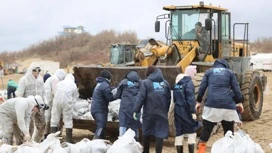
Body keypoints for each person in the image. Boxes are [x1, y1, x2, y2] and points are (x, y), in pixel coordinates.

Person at [195, 59, 244, 153]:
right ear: (225, 65)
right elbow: (236, 88)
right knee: (229, 132)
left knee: (206, 130)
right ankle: (229, 150)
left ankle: (201, 151)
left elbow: (202, 87)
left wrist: (198, 101)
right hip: (228, 106)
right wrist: (239, 102)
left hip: (212, 105)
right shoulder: (230, 72)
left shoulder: (209, 72)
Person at [133, 66, 171, 153]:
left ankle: (145, 151)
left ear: (148, 73)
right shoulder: (165, 84)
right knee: (160, 134)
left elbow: (141, 98)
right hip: (162, 113)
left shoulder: (145, 83)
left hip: (149, 113)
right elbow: (168, 99)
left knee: (146, 132)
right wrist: (166, 110)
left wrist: (136, 110)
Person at [173, 65, 202, 153]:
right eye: (194, 73)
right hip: (186, 111)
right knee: (191, 130)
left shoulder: (177, 84)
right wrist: (192, 112)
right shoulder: (188, 83)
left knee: (179, 131)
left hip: (177, 110)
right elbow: (190, 98)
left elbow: (174, 99)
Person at [16, 65, 48, 143]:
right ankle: (27, 144)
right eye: (34, 71)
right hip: (28, 106)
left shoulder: (40, 79)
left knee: (42, 124)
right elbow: (19, 94)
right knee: (29, 127)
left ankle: (36, 142)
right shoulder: (24, 80)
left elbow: (43, 92)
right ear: (31, 70)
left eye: (38, 71)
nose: (36, 73)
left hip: (39, 105)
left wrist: (45, 102)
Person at [50, 73, 78, 143]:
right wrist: (72, 106)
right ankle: (68, 140)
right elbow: (75, 98)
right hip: (67, 102)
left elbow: (55, 92)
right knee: (68, 120)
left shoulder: (60, 83)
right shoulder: (73, 85)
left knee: (54, 119)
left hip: (57, 101)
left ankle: (53, 140)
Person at [116, 70, 141, 140]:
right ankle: (135, 141)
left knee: (123, 123)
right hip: (136, 108)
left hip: (124, 107)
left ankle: (121, 140)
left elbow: (117, 94)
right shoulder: (140, 83)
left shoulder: (123, 82)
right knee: (135, 125)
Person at [91, 70, 116, 139]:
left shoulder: (100, 84)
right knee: (101, 127)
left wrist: (113, 89)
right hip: (100, 110)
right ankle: (95, 140)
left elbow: (107, 90)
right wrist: (117, 94)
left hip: (95, 109)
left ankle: (101, 141)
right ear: (108, 78)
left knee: (102, 126)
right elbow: (110, 97)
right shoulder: (105, 85)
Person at [44, 69, 66, 138]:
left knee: (47, 118)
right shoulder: (55, 80)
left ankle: (46, 134)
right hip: (50, 102)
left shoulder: (50, 79)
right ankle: (50, 134)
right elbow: (55, 92)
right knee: (51, 118)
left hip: (47, 101)